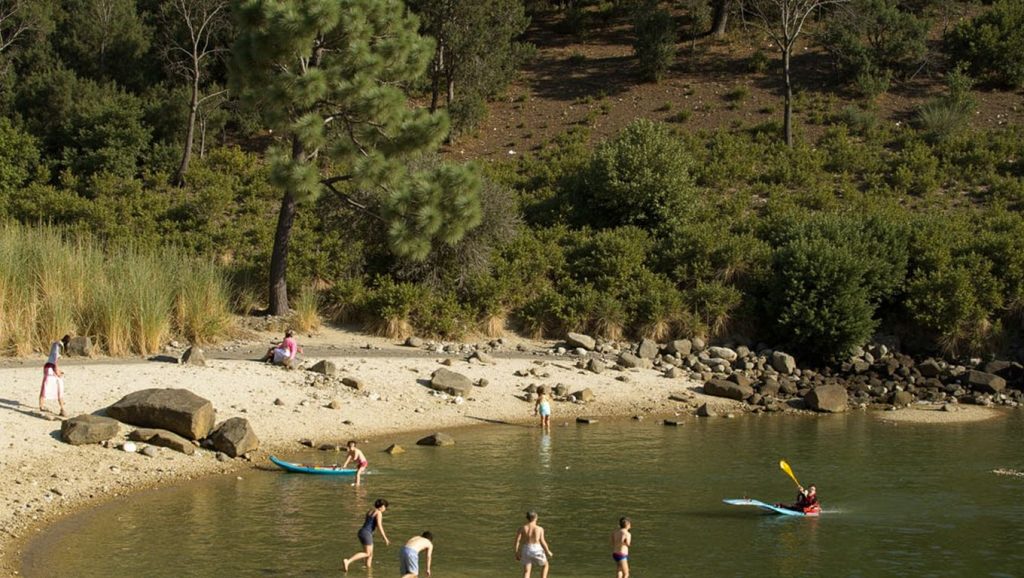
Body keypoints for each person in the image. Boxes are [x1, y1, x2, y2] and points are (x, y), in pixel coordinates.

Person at [343, 499, 390, 572]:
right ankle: (348, 561)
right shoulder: (379, 513)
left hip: (362, 532)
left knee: (370, 555)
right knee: (367, 553)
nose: (385, 509)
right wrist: (385, 538)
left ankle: (368, 571)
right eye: (385, 507)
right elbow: (379, 526)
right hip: (367, 533)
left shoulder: (370, 511)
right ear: (382, 506)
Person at [514, 511, 553, 578]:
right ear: (535, 518)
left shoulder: (522, 528)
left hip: (526, 548)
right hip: (536, 548)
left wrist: (516, 552)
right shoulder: (539, 528)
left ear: (527, 518)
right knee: (545, 565)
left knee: (527, 570)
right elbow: (542, 541)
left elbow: (517, 541)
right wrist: (547, 551)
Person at [39, 335, 70, 417]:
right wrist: (58, 372)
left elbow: (53, 360)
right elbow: (55, 361)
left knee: (45, 386)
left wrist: (58, 370)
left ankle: (41, 406)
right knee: (59, 387)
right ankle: (62, 409)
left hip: (48, 367)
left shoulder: (56, 344)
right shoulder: (59, 346)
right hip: (50, 368)